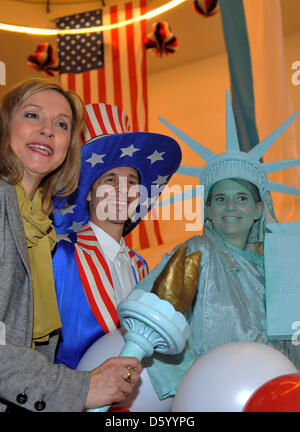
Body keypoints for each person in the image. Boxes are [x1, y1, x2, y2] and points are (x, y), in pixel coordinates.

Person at [133, 91, 300, 400]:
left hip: (277, 390)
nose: (230, 207)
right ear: (208, 210)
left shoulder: (280, 266)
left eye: (242, 198)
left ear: (259, 209)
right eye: (220, 199)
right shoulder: (198, 251)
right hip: (213, 392)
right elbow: (145, 312)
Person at [0, 79, 142, 412]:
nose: (48, 130)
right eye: (33, 116)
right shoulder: (61, 253)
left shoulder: (38, 229)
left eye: (61, 124)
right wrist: (78, 389)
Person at [51, 103, 182, 370]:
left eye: (132, 181)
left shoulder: (139, 265)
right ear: (88, 192)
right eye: (110, 179)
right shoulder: (61, 255)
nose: (123, 189)